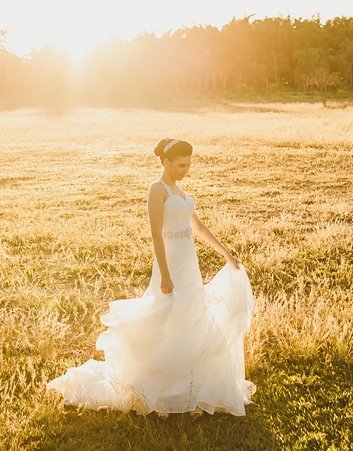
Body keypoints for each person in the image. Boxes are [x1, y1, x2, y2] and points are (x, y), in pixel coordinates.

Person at [47, 137, 256, 416]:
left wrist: (226, 255)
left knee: (192, 319)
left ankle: (188, 389)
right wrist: (165, 275)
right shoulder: (157, 190)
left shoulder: (179, 191)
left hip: (189, 264)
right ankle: (159, 389)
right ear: (165, 162)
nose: (186, 170)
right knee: (168, 317)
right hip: (170, 265)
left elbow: (199, 228)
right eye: (181, 165)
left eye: (189, 165)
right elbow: (156, 234)